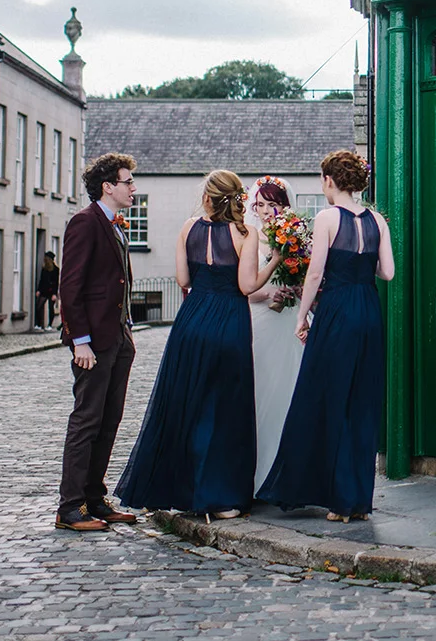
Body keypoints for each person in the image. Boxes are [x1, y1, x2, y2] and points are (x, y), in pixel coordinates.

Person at [116, 170, 276, 518]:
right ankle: (219, 499)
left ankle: (182, 491)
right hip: (229, 320)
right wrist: (275, 260)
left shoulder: (189, 228)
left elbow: (183, 279)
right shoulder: (245, 233)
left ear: (207, 196)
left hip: (191, 321)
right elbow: (247, 286)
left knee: (186, 403)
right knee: (226, 410)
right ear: (237, 198)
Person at [258, 151, 393, 522]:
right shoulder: (378, 220)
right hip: (368, 309)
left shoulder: (327, 217)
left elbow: (315, 275)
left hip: (336, 311)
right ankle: (358, 502)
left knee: (327, 399)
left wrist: (303, 318)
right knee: (362, 402)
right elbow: (388, 272)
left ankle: (336, 499)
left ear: (330, 181)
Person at [55, 152, 140, 532]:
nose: (133, 188)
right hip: (93, 342)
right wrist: (81, 341)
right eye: (128, 182)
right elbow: (70, 286)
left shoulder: (116, 225)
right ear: (108, 187)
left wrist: (126, 329)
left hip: (118, 336)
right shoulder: (85, 222)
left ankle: (94, 498)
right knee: (86, 420)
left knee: (109, 420)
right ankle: (69, 508)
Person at [244, 176, 306, 494]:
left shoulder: (295, 237)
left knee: (291, 390)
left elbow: (306, 276)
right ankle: (256, 475)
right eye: (261, 205)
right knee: (261, 391)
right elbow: (246, 287)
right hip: (261, 321)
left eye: (273, 204)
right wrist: (272, 294)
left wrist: (294, 290)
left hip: (289, 320)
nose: (267, 211)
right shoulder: (250, 237)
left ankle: (290, 475)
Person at [34, 251, 60, 332]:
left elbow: (56, 282)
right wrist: (38, 290)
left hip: (51, 291)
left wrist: (55, 294)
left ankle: (49, 325)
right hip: (44, 290)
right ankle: (39, 324)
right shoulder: (44, 269)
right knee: (39, 306)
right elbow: (41, 280)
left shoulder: (56, 269)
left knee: (50, 308)